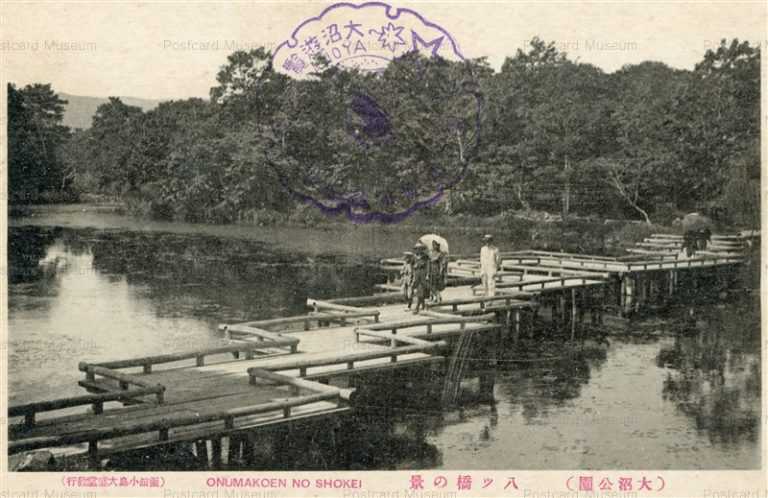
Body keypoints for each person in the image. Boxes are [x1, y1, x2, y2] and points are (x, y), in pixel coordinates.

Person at [412, 242, 430, 314]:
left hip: (423, 274)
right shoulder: (415, 257)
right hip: (417, 275)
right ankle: (423, 306)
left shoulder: (425, 257)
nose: (418, 250)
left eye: (420, 249)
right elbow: (412, 266)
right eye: (417, 249)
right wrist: (414, 267)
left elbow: (428, 266)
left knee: (421, 290)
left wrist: (427, 274)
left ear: (422, 249)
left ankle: (417, 307)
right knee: (419, 290)